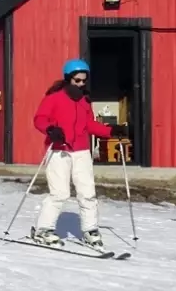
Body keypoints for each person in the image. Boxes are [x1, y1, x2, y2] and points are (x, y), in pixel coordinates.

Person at [30, 58, 128, 249]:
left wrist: (110, 131)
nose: (81, 84)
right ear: (68, 79)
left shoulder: (84, 101)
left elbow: (89, 124)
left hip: (81, 151)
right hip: (59, 151)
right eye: (77, 81)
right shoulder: (54, 98)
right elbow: (39, 119)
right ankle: (43, 230)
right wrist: (51, 129)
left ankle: (90, 230)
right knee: (59, 193)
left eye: (84, 80)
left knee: (87, 192)